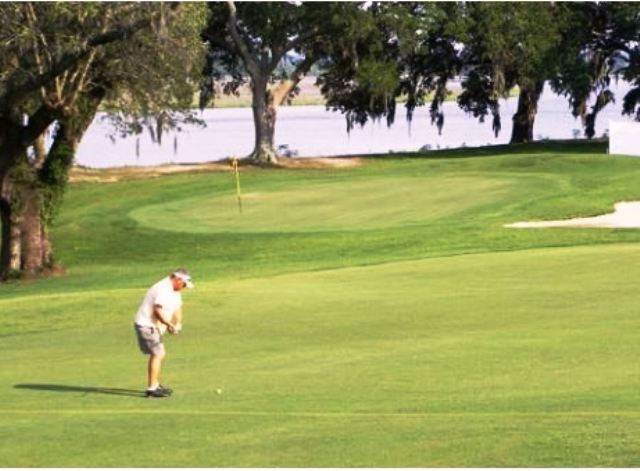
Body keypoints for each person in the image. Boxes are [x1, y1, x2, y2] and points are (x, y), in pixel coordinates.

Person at [133, 268, 194, 398]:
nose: (183, 287)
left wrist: (178, 323)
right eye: (183, 284)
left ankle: (155, 384)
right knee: (158, 353)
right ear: (177, 279)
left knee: (158, 353)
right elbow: (157, 311)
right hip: (146, 325)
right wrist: (169, 324)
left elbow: (178, 307)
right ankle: (152, 389)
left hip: (154, 326)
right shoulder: (163, 289)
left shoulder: (174, 290)